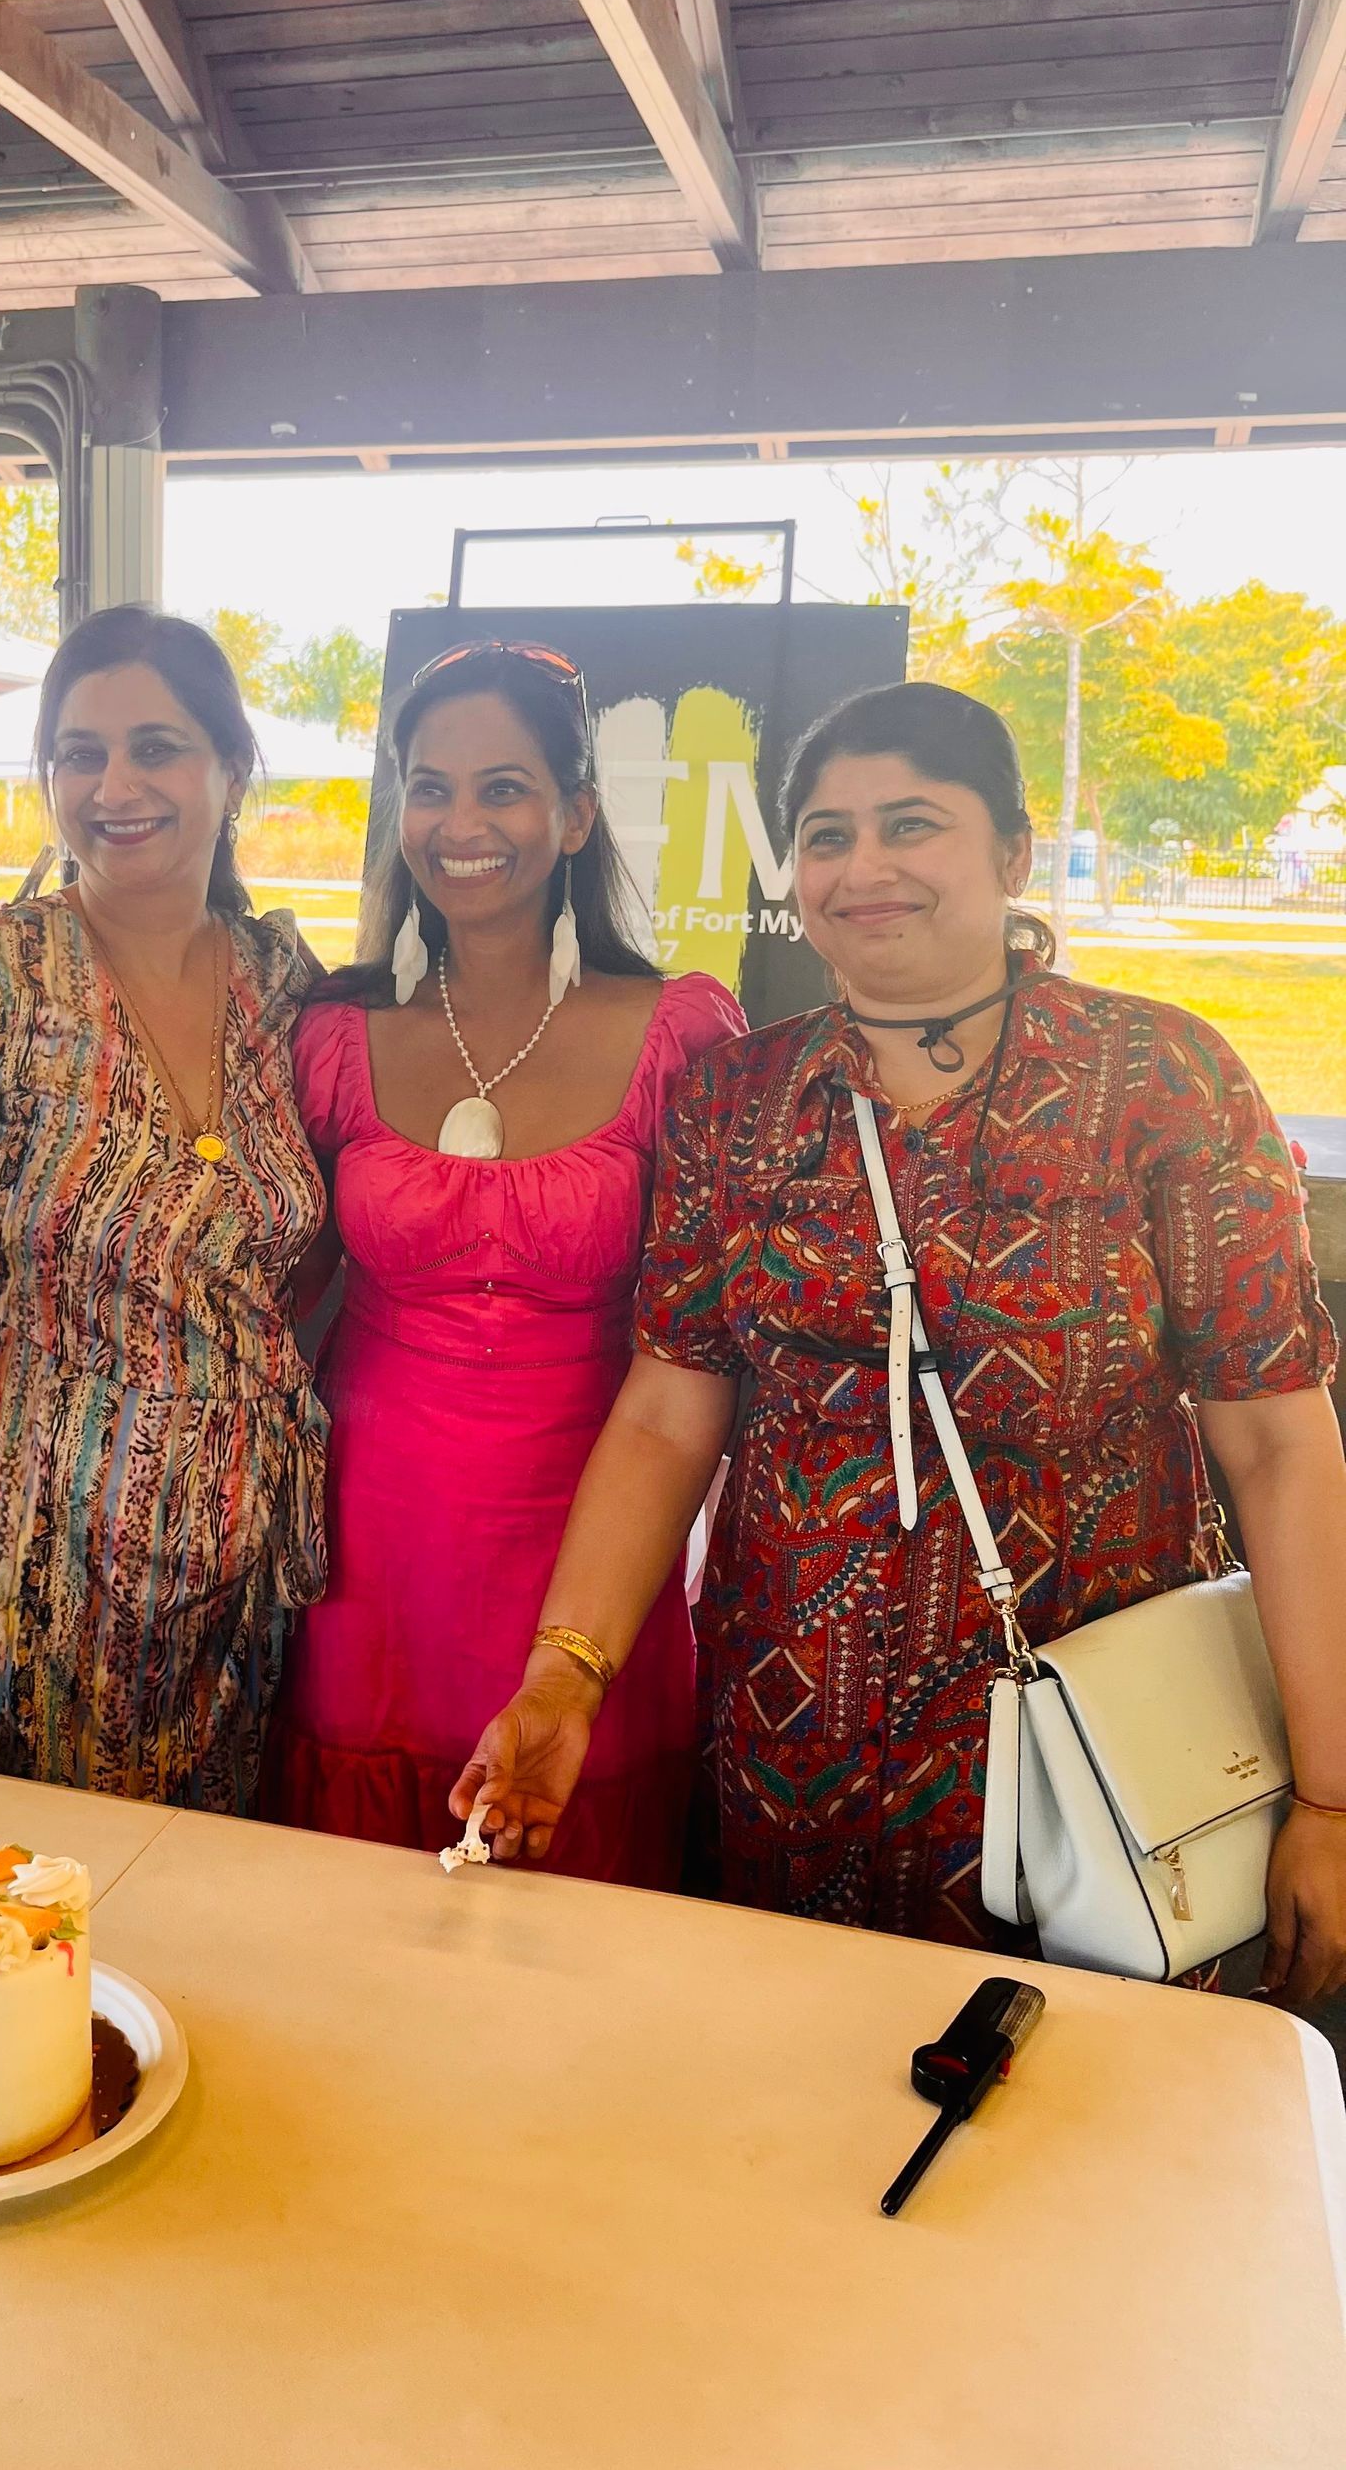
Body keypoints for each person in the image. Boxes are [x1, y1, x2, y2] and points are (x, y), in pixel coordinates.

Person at [454, 681, 1346, 2004]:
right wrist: (562, 1677)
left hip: (1099, 1769)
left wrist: (1331, 1793)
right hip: (791, 1753)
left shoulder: (1161, 1079)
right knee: (794, 2113)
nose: (860, 866)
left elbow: (1277, 1439)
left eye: (909, 824)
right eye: (824, 835)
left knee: (1087, 2145)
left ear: (1012, 851)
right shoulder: (738, 1100)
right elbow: (665, 1407)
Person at [0, 606, 326, 1807]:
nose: (117, 783)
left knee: (206, 1921)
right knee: (22, 1922)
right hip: (25, 1552)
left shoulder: (288, 985)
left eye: (156, 745)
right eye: (80, 752)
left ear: (231, 767)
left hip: (241, 1572)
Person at [262, 642, 743, 1887]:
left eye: (504, 786)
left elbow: (711, 1336)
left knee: (571, 1924)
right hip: (372, 1544)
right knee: (361, 1915)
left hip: (594, 1534)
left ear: (576, 813)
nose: (461, 821)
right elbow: (265, 1287)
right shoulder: (334, 1034)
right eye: (431, 787)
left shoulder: (680, 1033)